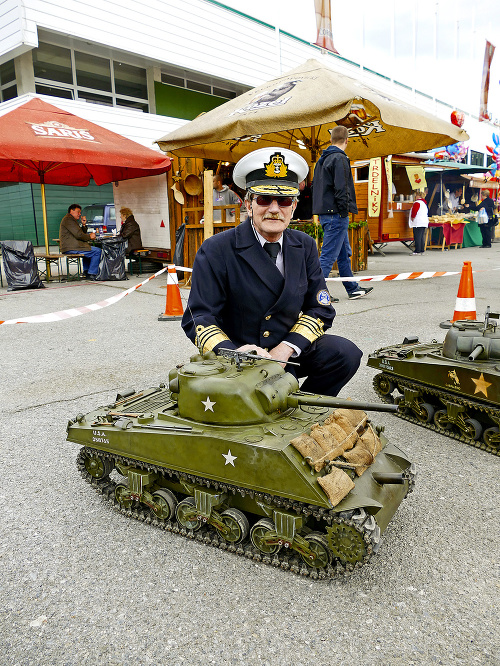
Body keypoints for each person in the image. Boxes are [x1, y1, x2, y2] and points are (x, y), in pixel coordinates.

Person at [181, 147, 363, 397]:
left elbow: (320, 307)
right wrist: (233, 352)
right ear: (248, 203)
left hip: (284, 354)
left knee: (345, 354)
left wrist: (286, 349)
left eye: (284, 201)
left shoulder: (304, 244)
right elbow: (199, 317)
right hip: (239, 357)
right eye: (264, 199)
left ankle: (304, 408)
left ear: (294, 206)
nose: (274, 209)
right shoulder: (217, 249)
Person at [312, 125, 373, 301]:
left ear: (331, 140)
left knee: (343, 252)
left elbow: (318, 187)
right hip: (336, 213)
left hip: (325, 212)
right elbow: (342, 188)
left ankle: (352, 288)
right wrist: (344, 211)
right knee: (328, 256)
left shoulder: (322, 160)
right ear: (347, 140)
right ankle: (316, 294)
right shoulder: (340, 158)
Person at [59, 204, 101, 279]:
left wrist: (84, 225)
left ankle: (87, 271)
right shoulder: (68, 220)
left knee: (88, 249)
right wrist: (90, 237)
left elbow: (80, 233)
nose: (80, 214)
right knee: (97, 251)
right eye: (78, 212)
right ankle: (92, 273)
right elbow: (79, 235)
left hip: (72, 246)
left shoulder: (71, 220)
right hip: (71, 247)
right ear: (72, 211)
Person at [409, 188, 429, 255]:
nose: (415, 196)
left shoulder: (417, 203)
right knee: (421, 237)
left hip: (418, 222)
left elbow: (414, 211)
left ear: (418, 196)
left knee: (417, 236)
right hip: (424, 222)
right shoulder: (424, 203)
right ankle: (421, 250)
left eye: (416, 195)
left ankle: (417, 250)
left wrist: (412, 218)